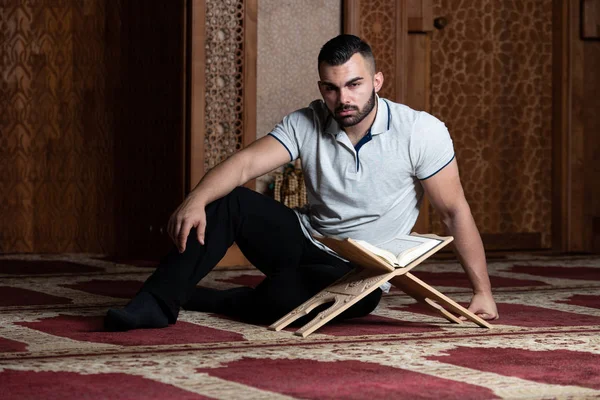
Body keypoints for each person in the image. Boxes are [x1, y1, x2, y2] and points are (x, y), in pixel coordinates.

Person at [104, 34, 498, 332]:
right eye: (331, 87)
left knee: (281, 301)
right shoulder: (306, 121)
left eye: (354, 84)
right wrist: (194, 199)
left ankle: (219, 298)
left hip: (362, 272)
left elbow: (453, 211)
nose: (343, 98)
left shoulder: (421, 131)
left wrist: (482, 292)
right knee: (229, 201)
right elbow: (244, 165)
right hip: (305, 240)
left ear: (377, 81)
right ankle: (154, 303)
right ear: (321, 87)